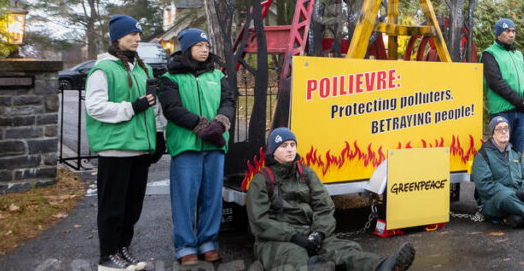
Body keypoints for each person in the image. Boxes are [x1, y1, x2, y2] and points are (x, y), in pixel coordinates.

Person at [247, 128, 416, 271]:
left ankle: (382, 266)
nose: (290, 149)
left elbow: (324, 207)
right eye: (283, 146)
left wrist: (319, 233)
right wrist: (294, 237)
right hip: (279, 239)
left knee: (341, 250)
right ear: (273, 151)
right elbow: (259, 221)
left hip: (310, 232)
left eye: (292, 145)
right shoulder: (261, 181)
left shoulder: (306, 173)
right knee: (294, 258)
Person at [85, 15, 166, 271]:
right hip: (115, 148)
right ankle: (107, 256)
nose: (137, 38)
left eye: (139, 34)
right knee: (113, 207)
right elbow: (95, 107)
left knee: (132, 207)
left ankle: (122, 249)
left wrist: (159, 135)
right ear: (117, 37)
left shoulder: (143, 69)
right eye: (132, 34)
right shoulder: (103, 70)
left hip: (140, 147)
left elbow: (154, 107)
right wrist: (131, 107)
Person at [157, 29, 234, 265]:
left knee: (212, 196)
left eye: (207, 46)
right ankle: (186, 246)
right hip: (186, 145)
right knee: (185, 197)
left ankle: (208, 242)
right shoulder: (170, 78)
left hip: (214, 146)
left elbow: (228, 102)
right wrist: (201, 127)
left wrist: (220, 124)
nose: (205, 49)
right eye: (200, 45)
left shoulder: (217, 76)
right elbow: (172, 109)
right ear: (187, 48)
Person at [481, 17, 524, 154]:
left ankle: (516, 176)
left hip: (520, 111)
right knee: (501, 153)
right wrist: (518, 101)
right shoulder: (489, 54)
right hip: (501, 112)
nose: (511, 34)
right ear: (498, 33)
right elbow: (495, 82)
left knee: (518, 154)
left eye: (513, 31)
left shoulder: (519, 55)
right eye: (507, 31)